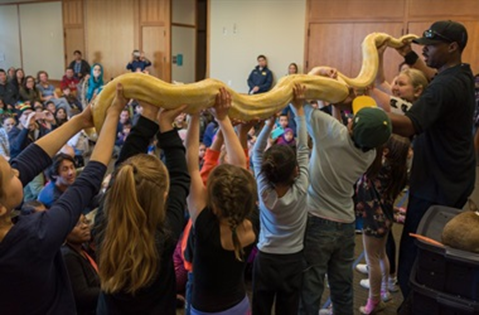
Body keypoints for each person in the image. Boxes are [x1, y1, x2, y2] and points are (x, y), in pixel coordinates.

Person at [0, 82, 122, 314]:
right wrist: (112, 114)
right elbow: (88, 179)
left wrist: (79, 121)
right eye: (11, 175)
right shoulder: (37, 236)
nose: (17, 171)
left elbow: (28, 160)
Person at [386, 20, 476, 310]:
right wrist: (409, 56)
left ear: (452, 47)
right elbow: (434, 81)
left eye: (430, 46)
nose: (424, 51)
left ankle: (414, 304)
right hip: (453, 174)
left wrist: (365, 114)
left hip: (438, 182)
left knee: (418, 250)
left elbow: (412, 124)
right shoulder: (458, 74)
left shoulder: (447, 84)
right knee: (433, 244)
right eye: (422, 46)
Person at [299, 67, 392, 315]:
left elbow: (299, 99)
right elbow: (339, 129)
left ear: (351, 125)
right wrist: (336, 104)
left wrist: (318, 73)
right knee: (342, 286)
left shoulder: (332, 132)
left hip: (317, 220)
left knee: (311, 285)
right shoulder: (370, 154)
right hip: (346, 223)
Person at [94, 100, 190, 314]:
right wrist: (164, 122)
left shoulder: (103, 224)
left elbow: (178, 178)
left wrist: (148, 116)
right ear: (163, 197)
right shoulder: (165, 232)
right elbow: (181, 178)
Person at [185, 88, 258, 314]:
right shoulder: (253, 223)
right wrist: (223, 119)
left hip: (205, 309)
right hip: (239, 305)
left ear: (213, 203)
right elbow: (241, 168)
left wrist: (195, 114)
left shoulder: (206, 227)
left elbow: (190, 160)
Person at [251, 85, 309, 315]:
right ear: (296, 170)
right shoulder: (302, 187)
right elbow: (304, 148)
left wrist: (268, 124)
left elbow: (256, 153)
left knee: (261, 308)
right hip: (292, 260)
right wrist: (300, 111)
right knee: (289, 308)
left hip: (266, 259)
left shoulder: (265, 191)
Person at [355, 135, 410, 314]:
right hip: (384, 218)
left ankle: (374, 301)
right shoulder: (398, 170)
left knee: (372, 261)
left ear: (385, 152)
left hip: (373, 220)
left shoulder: (377, 168)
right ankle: (384, 288)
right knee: (380, 255)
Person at [62, 214, 100, 315]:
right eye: (77, 224)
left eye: (85, 221)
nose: (84, 226)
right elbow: (83, 295)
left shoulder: (83, 249)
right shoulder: (68, 256)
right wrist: (112, 289)